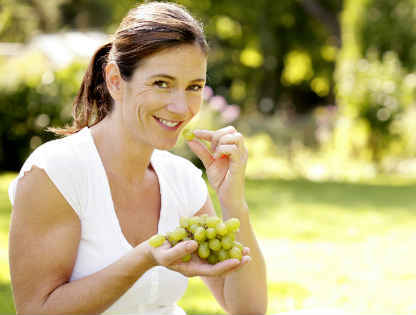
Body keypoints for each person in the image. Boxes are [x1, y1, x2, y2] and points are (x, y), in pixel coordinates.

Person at [7, 2, 267, 314]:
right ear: (116, 80)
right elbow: (35, 310)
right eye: (162, 83)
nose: (182, 107)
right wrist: (144, 258)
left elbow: (248, 310)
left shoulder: (180, 178)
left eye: (194, 87)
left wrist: (233, 201)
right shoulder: (57, 172)